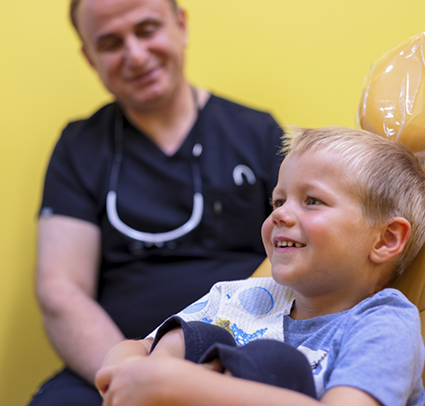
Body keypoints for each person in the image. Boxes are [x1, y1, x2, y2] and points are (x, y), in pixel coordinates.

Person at [30, 0, 284, 404]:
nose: (135, 55)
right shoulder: (79, 147)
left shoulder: (256, 133)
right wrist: (130, 374)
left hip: (242, 353)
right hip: (113, 363)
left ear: (181, 24)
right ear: (89, 58)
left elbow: (302, 253)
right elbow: (61, 290)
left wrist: (201, 375)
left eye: (147, 29)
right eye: (110, 43)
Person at [95, 126, 425, 406]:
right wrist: (125, 370)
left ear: (386, 240)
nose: (279, 214)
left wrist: (185, 386)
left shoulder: (385, 322)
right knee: (191, 336)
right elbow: (140, 347)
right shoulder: (240, 296)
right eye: (278, 201)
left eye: (312, 201)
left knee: (275, 361)